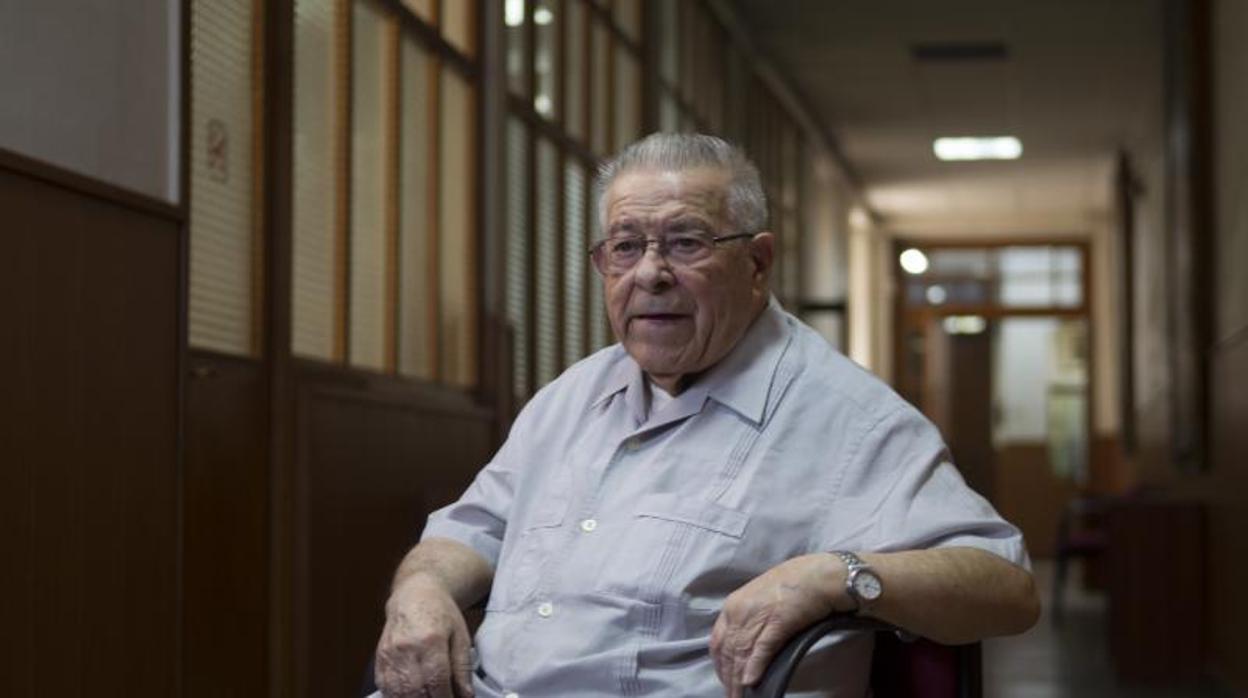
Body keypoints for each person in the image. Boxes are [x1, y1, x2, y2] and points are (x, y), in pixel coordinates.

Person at [373, 133, 1039, 698]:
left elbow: (1005, 586)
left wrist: (836, 575)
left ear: (756, 263)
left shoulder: (846, 418)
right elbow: (472, 531)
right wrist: (422, 592)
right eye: (625, 247)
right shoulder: (573, 396)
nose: (650, 274)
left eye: (686, 243)